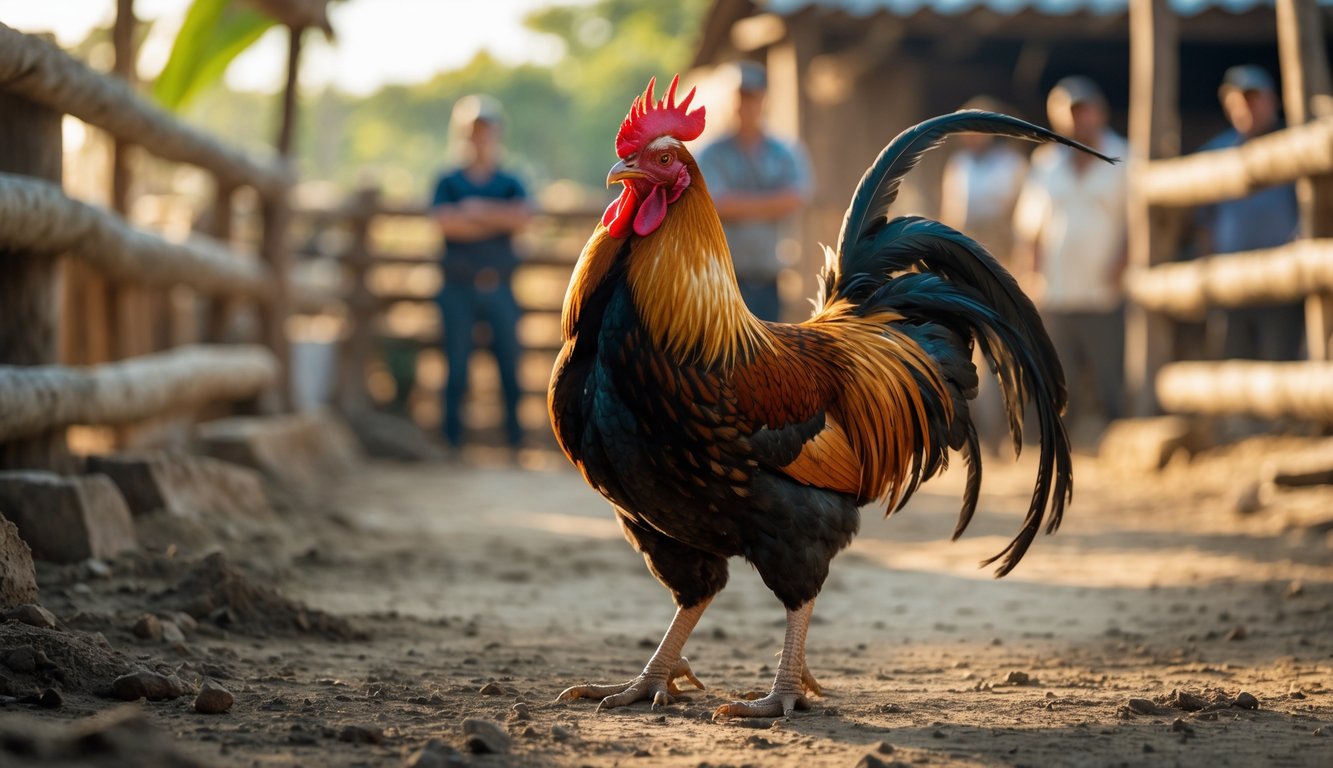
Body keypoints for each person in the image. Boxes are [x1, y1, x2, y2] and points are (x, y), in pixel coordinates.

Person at [1012, 76, 1128, 435]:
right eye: (1070, 113)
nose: (1078, 120)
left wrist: (1122, 264)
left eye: (1084, 111)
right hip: (1057, 288)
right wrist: (1031, 276)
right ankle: (1058, 441)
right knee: (1058, 373)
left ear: (1100, 113)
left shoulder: (1125, 157)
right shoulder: (1046, 162)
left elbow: (1136, 222)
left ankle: (1117, 433)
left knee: (1110, 371)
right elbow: (1031, 227)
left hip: (1104, 288)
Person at [431, 94, 532, 450]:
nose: (480, 137)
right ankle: (452, 443)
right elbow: (447, 224)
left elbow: (522, 218)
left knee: (509, 365)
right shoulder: (448, 181)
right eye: (474, 130)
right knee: (456, 367)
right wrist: (496, 218)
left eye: (486, 130)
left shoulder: (510, 180)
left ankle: (515, 443)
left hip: (500, 286)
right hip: (457, 287)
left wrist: (475, 211)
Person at [1194, 65, 1303, 361]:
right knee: (1232, 360)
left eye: (1253, 98)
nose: (1246, 107)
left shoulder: (1295, 147)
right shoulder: (1216, 153)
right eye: (1238, 100)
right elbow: (1204, 220)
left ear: (1272, 100)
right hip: (1230, 283)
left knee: (1280, 360)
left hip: (1282, 282)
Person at [940, 96, 1029, 454]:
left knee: (1002, 348)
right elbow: (952, 217)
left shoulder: (1013, 166)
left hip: (1003, 263)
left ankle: (1007, 434)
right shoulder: (959, 167)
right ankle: (975, 434)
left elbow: (1023, 218)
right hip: (967, 265)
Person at [697, 61, 811, 321]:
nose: (745, 105)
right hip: (723, 278)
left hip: (770, 277)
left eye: (752, 97)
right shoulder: (710, 153)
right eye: (740, 97)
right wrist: (771, 204)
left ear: (763, 100)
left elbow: (795, 198)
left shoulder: (785, 151)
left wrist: (737, 205)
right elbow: (715, 204)